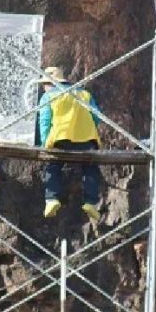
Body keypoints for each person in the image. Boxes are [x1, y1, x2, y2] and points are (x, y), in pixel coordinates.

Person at [38, 66, 102, 222]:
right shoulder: (84, 94)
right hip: (87, 140)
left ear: (50, 83)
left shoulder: (48, 96)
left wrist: (45, 143)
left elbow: (45, 121)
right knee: (91, 168)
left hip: (61, 139)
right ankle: (91, 202)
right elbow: (97, 117)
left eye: (44, 84)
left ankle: (51, 199)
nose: (43, 88)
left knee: (53, 165)